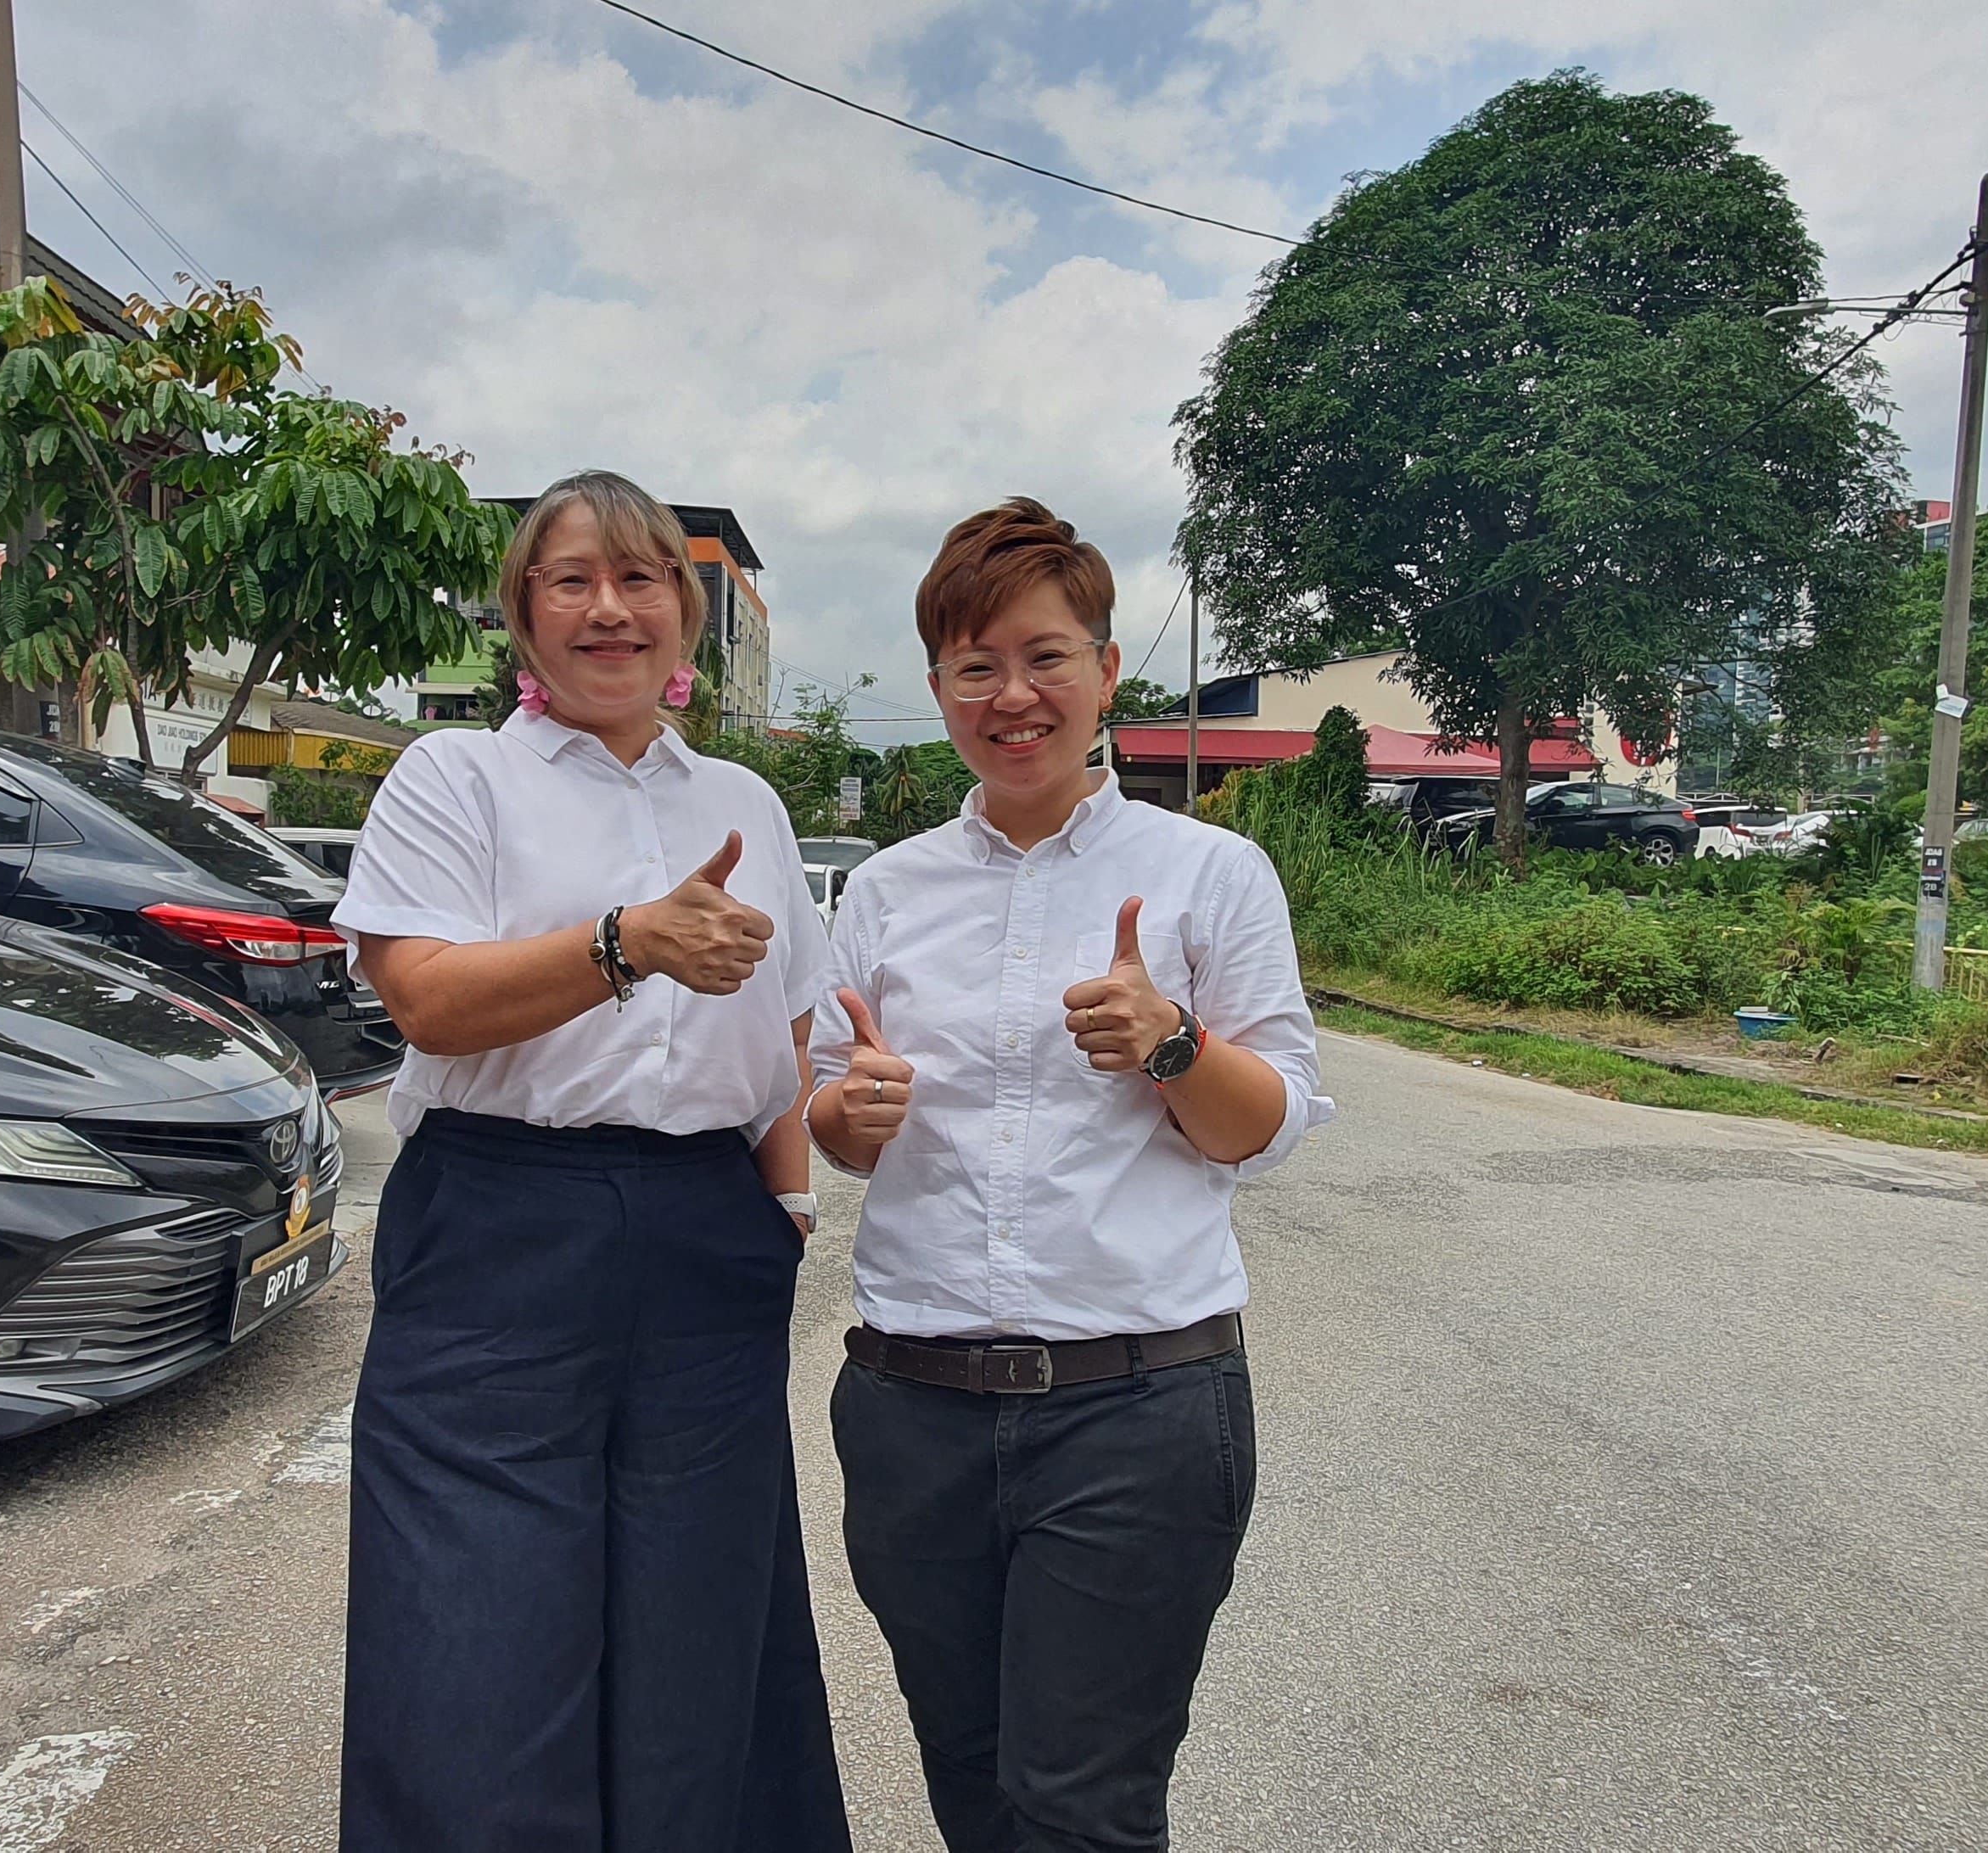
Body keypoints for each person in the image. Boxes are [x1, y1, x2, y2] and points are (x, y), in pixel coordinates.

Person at [333, 470, 850, 1850]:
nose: (610, 608)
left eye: (641, 580)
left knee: (701, 1639)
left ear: (686, 620)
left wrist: (788, 1202)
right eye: (573, 579)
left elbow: (786, 1029)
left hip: (704, 1238)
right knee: (471, 1641)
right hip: (498, 1226)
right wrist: (622, 945)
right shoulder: (457, 776)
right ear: (525, 613)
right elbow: (427, 1000)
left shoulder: (746, 801)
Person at [805, 497, 1330, 1851]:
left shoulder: (1211, 872)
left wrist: (1172, 1044)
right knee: (971, 1782)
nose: (1013, 695)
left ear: (1106, 670)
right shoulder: (884, 892)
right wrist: (849, 1116)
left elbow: (1262, 1127)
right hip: (914, 1412)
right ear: (938, 692)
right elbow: (830, 1118)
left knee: (1082, 1806)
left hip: (1138, 1411)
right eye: (976, 668)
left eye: (1045, 657)